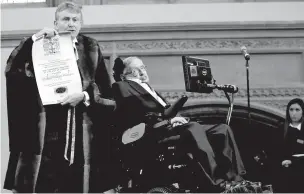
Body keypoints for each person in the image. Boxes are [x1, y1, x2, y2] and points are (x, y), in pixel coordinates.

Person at [3, 1, 115, 193]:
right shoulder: (38, 45)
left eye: (75, 20)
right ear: (56, 23)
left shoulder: (91, 48)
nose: (71, 24)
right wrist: (32, 39)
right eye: (65, 19)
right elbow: (12, 71)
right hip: (45, 132)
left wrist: (85, 96)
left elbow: (107, 92)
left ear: (80, 24)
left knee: (76, 186)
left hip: (81, 134)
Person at [111, 56, 247, 192]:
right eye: (135, 70)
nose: (142, 72)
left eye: (143, 67)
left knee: (222, 129)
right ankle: (217, 182)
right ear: (124, 75)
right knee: (193, 128)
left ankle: (236, 180)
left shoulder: (149, 89)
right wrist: (168, 121)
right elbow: (135, 114)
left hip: (169, 129)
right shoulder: (122, 86)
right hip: (152, 134)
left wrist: (176, 118)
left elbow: (166, 111)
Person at [274, 98, 304, 192]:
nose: (293, 113)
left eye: (297, 109)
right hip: (284, 176)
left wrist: (293, 162)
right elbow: (273, 151)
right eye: (291, 109)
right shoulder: (281, 129)